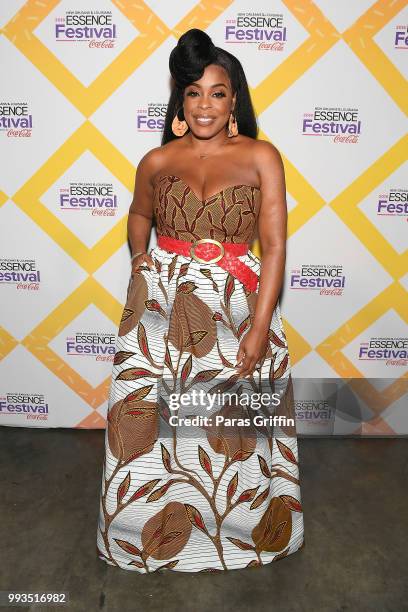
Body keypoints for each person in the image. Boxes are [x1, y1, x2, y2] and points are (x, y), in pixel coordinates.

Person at [96, 28, 304, 574]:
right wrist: (142, 262)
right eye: (193, 92)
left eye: (217, 91)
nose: (205, 104)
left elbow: (276, 245)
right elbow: (139, 215)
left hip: (236, 308)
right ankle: (144, 533)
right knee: (149, 420)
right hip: (161, 309)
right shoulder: (157, 161)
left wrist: (260, 328)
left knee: (225, 425)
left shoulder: (261, 155)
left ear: (235, 99)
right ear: (180, 100)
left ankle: (236, 526)